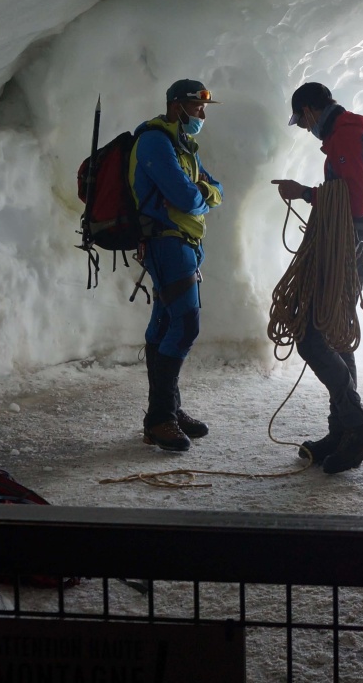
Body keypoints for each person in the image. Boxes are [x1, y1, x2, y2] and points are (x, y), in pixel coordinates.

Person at [271, 82, 363, 475]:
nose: (307, 130)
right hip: (353, 245)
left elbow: (355, 200)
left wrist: (305, 193)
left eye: (303, 122)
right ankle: (342, 432)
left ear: (308, 111)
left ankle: (359, 428)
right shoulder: (353, 133)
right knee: (336, 334)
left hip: (345, 246)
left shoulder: (345, 136)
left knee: (311, 336)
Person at [133, 79, 224, 451]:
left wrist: (202, 192)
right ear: (177, 106)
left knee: (166, 323)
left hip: (184, 243)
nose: (202, 114)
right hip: (166, 242)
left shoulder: (182, 144)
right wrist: (200, 193)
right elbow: (187, 197)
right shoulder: (155, 142)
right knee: (185, 325)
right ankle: (160, 419)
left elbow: (215, 188)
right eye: (197, 107)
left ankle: (166, 411)